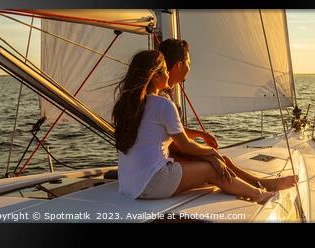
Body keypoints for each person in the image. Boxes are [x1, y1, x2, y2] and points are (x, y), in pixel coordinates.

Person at [112, 49, 293, 204]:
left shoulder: (128, 105)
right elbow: (185, 145)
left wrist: (210, 155)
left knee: (212, 166)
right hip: (152, 183)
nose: (168, 74)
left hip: (128, 185)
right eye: (165, 70)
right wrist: (212, 154)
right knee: (212, 170)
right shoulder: (162, 104)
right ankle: (261, 195)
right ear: (156, 75)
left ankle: (258, 186)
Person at [157, 39, 298, 193]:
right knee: (220, 162)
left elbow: (173, 129)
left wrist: (201, 134)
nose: (190, 67)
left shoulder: (159, 95)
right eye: (188, 62)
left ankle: (259, 184)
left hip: (168, 155)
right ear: (179, 65)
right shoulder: (163, 98)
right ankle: (260, 186)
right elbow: (177, 142)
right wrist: (207, 153)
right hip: (168, 158)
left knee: (222, 160)